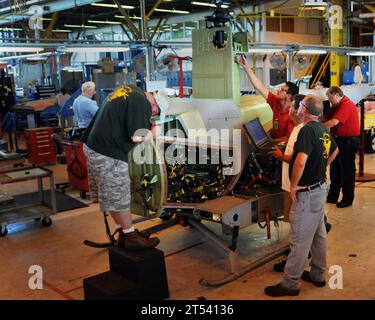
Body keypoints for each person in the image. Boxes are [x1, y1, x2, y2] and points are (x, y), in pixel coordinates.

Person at [264, 95, 338, 297]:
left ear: (305, 109)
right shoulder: (323, 129)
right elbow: (335, 150)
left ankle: (290, 284)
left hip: (307, 192)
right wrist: (321, 167)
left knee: (299, 240)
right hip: (320, 188)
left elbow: (300, 161)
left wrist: (295, 186)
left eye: (300, 105)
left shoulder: (306, 130)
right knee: (318, 234)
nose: (297, 108)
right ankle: (318, 275)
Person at [83, 85, 160, 250]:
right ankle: (131, 237)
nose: (151, 116)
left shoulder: (132, 90)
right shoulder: (143, 103)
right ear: (154, 106)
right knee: (119, 196)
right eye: (153, 114)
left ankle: (124, 232)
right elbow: (136, 136)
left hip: (93, 146)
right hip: (107, 151)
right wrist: (153, 133)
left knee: (110, 195)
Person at [235, 55, 299, 140]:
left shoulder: (292, 115)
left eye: (282, 90)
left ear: (289, 95)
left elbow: (288, 139)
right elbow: (260, 87)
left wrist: (271, 142)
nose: (278, 90)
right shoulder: (276, 102)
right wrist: (246, 67)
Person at [324, 86, 360, 208]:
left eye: (330, 99)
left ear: (337, 95)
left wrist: (316, 128)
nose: (330, 102)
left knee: (346, 171)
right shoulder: (336, 106)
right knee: (335, 170)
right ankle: (333, 196)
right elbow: (325, 117)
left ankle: (348, 198)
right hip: (338, 140)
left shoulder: (347, 105)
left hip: (348, 141)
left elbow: (334, 122)